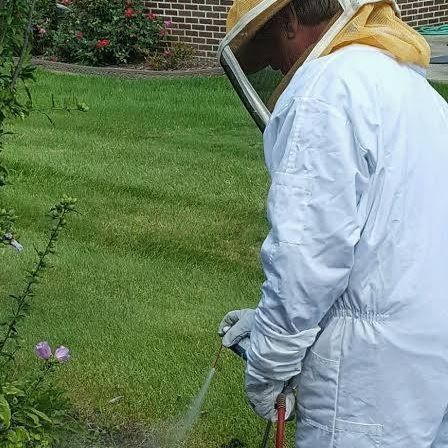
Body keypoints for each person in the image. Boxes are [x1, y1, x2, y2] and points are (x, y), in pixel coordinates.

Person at [217, 0, 448, 447]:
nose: (274, 68)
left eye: (268, 52)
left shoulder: (326, 89)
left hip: (369, 376)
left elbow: (307, 256)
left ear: (288, 20)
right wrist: (266, 322)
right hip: (429, 359)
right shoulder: (409, 88)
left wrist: (268, 360)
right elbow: (391, 244)